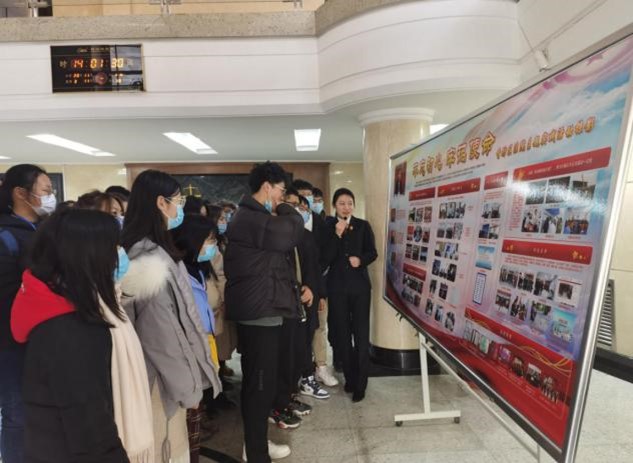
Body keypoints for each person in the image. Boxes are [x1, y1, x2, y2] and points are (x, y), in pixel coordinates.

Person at [11, 208, 153, 463]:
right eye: (114, 246)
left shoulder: (60, 307)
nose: (120, 254)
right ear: (88, 255)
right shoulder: (70, 331)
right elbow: (92, 432)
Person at [120, 170, 222, 463]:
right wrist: (188, 387)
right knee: (165, 449)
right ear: (160, 203)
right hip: (157, 380)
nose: (180, 207)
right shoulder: (147, 259)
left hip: (165, 376)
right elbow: (161, 334)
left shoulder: (156, 249)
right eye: (178, 200)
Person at [224, 162, 304, 463]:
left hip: (264, 307)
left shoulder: (253, 217)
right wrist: (287, 209)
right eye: (281, 191)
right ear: (267, 186)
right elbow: (291, 232)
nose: (282, 197)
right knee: (259, 385)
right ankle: (256, 453)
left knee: (262, 383)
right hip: (259, 312)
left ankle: (256, 443)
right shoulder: (251, 218)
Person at [0, 163, 53, 463]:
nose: (50, 197)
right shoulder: (6, 234)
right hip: (11, 341)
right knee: (17, 413)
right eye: (46, 190)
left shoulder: (46, 231)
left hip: (44, 338)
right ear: (20, 193)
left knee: (40, 412)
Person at [172, 214, 219, 463]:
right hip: (188, 348)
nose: (213, 245)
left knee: (197, 409)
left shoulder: (198, 268)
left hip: (204, 340)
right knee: (188, 414)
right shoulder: (178, 273)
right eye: (208, 240)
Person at [323, 188, 377, 402]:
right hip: (337, 289)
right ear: (334, 206)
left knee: (361, 336)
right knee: (343, 336)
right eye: (341, 203)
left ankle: (361, 384)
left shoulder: (363, 225)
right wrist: (336, 234)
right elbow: (325, 258)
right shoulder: (328, 227)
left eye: (349, 203)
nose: (346, 207)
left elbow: (372, 252)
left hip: (360, 288)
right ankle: (350, 378)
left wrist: (361, 260)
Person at [293, 181, 338, 386]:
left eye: (309, 196)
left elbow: (327, 256)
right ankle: (300, 371)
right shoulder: (285, 225)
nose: (307, 201)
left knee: (319, 327)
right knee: (298, 332)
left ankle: (321, 367)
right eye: (301, 197)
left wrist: (319, 291)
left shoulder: (323, 223)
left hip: (319, 284)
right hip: (294, 288)